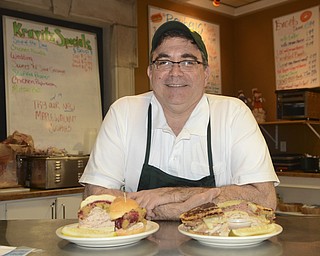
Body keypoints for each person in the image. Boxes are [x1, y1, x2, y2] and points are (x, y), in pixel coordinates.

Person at [79, 21, 279, 220]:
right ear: (150, 72)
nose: (175, 73)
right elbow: (94, 197)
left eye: (188, 62)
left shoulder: (233, 114)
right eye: (164, 62)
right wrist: (185, 209)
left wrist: (170, 196)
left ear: (206, 74)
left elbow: (264, 199)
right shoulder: (123, 112)